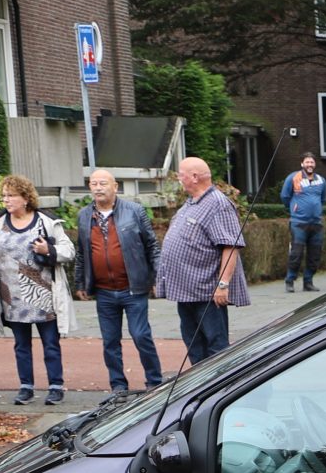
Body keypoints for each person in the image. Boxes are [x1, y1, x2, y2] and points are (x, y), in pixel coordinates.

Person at [0, 174, 76, 406]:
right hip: (12, 297)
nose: (6, 200)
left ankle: (56, 386)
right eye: (4, 196)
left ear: (25, 198)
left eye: (11, 195)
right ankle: (26, 387)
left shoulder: (45, 221)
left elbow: (69, 250)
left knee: (50, 343)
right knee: (21, 345)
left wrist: (49, 250)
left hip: (43, 294)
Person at [73, 168, 165, 397]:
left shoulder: (134, 211)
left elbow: (152, 246)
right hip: (103, 291)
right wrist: (80, 283)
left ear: (115, 187)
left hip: (133, 288)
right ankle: (118, 386)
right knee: (110, 341)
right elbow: (82, 252)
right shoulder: (84, 215)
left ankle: (154, 381)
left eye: (103, 183)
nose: (98, 188)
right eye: (93, 184)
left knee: (140, 334)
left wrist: (158, 277)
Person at [157, 156, 247, 364]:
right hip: (185, 291)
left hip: (207, 292)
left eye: (181, 174)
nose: (179, 178)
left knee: (216, 346)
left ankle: (223, 387)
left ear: (195, 177)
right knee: (193, 344)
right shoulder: (192, 202)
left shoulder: (218, 204)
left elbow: (231, 246)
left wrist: (223, 285)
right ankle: (201, 387)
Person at [281, 152, 326, 291]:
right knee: (296, 253)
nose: (310, 165)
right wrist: (295, 209)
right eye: (307, 162)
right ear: (302, 164)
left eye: (312, 162)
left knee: (315, 255)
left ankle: (308, 282)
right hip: (299, 223)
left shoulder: (322, 180)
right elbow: (285, 196)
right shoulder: (293, 178)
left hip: (316, 223)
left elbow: (323, 198)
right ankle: (290, 281)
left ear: (315, 164)